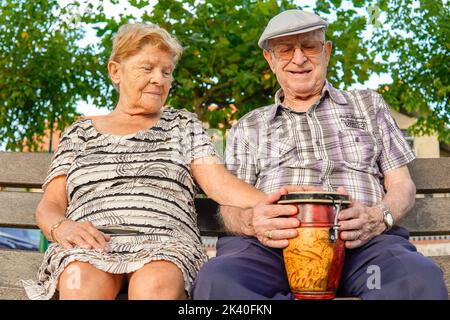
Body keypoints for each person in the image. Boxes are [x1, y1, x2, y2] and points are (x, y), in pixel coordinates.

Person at [191, 10, 448, 300]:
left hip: (362, 248)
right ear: (270, 60)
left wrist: (378, 217)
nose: (298, 59)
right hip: (272, 252)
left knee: (416, 281)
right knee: (219, 283)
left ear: (326, 51)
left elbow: (402, 184)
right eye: (286, 50)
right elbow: (229, 207)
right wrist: (252, 222)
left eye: (309, 47)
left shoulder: (367, 105)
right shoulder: (250, 124)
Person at [22, 22, 280, 300]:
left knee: (155, 285)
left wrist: (278, 206)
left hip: (165, 245)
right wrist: (62, 227)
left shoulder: (182, 125)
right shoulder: (79, 132)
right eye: (147, 69)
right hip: (90, 245)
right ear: (115, 71)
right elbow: (49, 206)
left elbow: (219, 183)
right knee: (79, 281)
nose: (159, 79)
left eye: (166, 72)